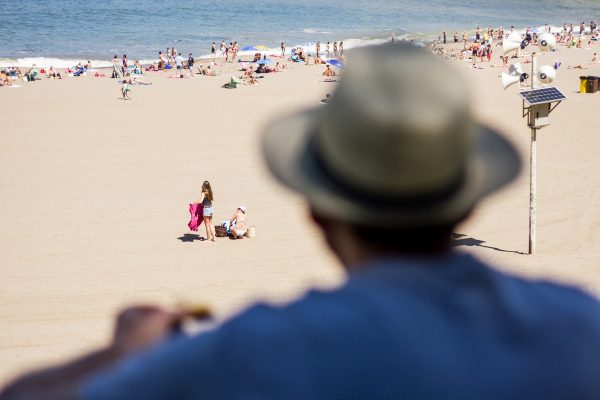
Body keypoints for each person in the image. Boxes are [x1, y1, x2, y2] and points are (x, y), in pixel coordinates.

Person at [5, 43, 600, 400]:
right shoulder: (579, 325)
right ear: (468, 200)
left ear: (316, 208)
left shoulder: (260, 347)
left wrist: (122, 351)